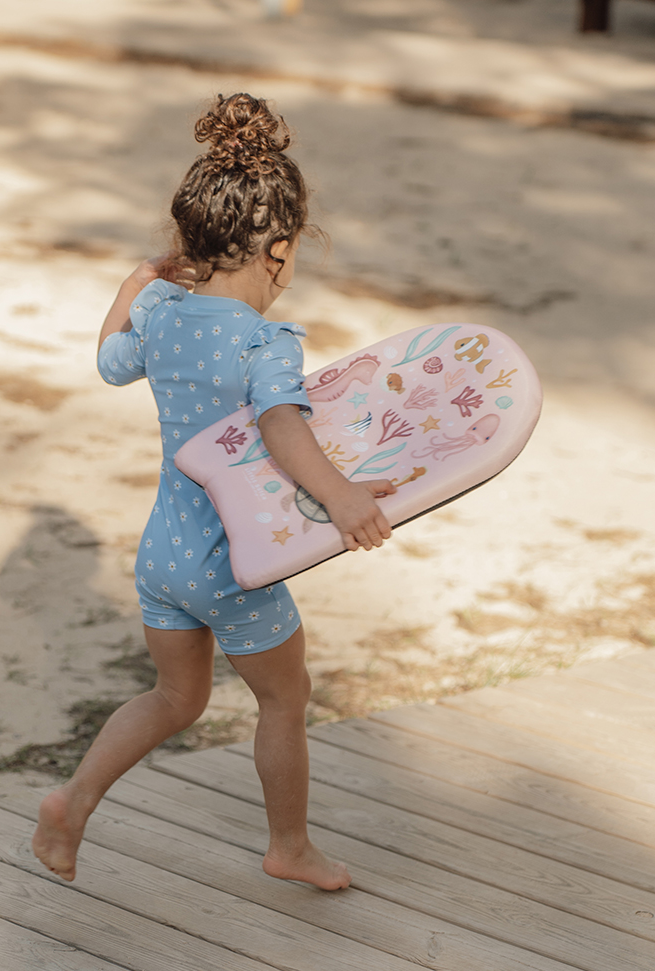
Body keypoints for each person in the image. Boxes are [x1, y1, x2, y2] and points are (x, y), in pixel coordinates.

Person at [32, 93, 396, 890]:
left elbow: (108, 363)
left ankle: (72, 802)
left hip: (163, 551)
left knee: (173, 696)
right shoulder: (267, 340)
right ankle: (289, 846)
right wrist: (341, 497)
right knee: (284, 698)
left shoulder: (161, 313)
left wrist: (136, 281)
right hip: (234, 562)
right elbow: (281, 426)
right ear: (279, 249)